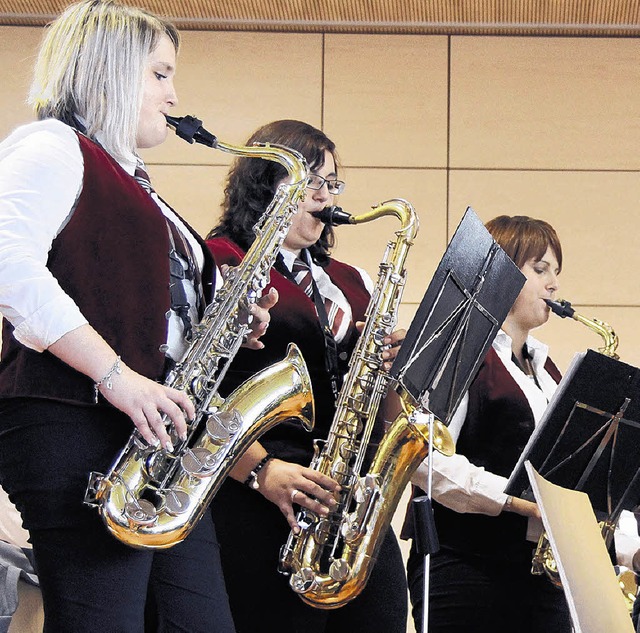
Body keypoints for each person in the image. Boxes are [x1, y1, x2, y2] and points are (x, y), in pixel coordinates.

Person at [0, 2, 275, 631]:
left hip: (154, 445)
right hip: (80, 428)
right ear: (109, 70)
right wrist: (117, 376)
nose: (173, 93)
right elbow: (7, 261)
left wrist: (225, 314)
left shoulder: (136, 183)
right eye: (159, 73)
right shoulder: (52, 146)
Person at [206, 119, 408, 633]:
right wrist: (261, 470)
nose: (325, 197)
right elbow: (196, 389)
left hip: (351, 503)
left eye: (332, 184)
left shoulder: (351, 281)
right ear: (265, 184)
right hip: (260, 493)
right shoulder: (222, 261)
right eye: (310, 182)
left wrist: (393, 370)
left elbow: (379, 404)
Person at [403, 215, 572, 633]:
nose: (554, 285)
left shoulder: (547, 371)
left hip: (540, 575)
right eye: (540, 270)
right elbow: (424, 459)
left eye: (556, 272)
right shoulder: (461, 352)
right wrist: (514, 500)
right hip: (467, 567)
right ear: (500, 270)